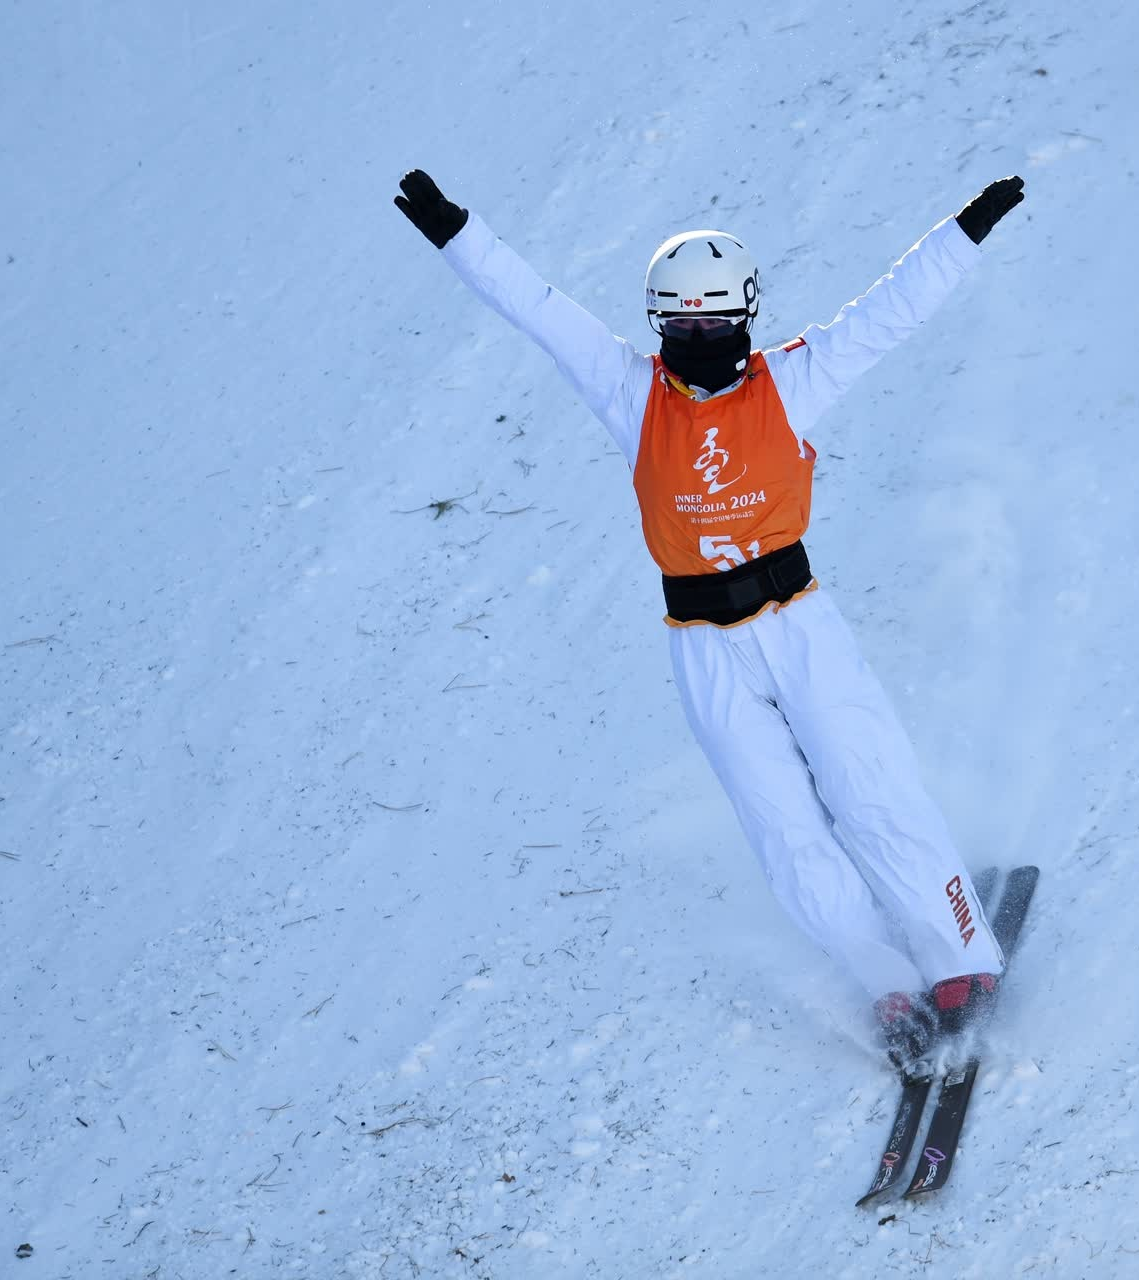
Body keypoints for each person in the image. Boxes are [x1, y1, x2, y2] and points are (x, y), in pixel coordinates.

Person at [393, 167, 1026, 1070]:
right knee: (782, 825)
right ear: (660, 325)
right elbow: (537, 306)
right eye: (678, 324)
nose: (695, 336)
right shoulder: (630, 392)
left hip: (800, 625)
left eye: (711, 321)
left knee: (866, 781)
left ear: (743, 317)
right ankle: (884, 978)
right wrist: (457, 233)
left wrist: (967, 228)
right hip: (704, 648)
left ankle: (960, 957)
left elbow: (893, 310)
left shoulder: (795, 383)